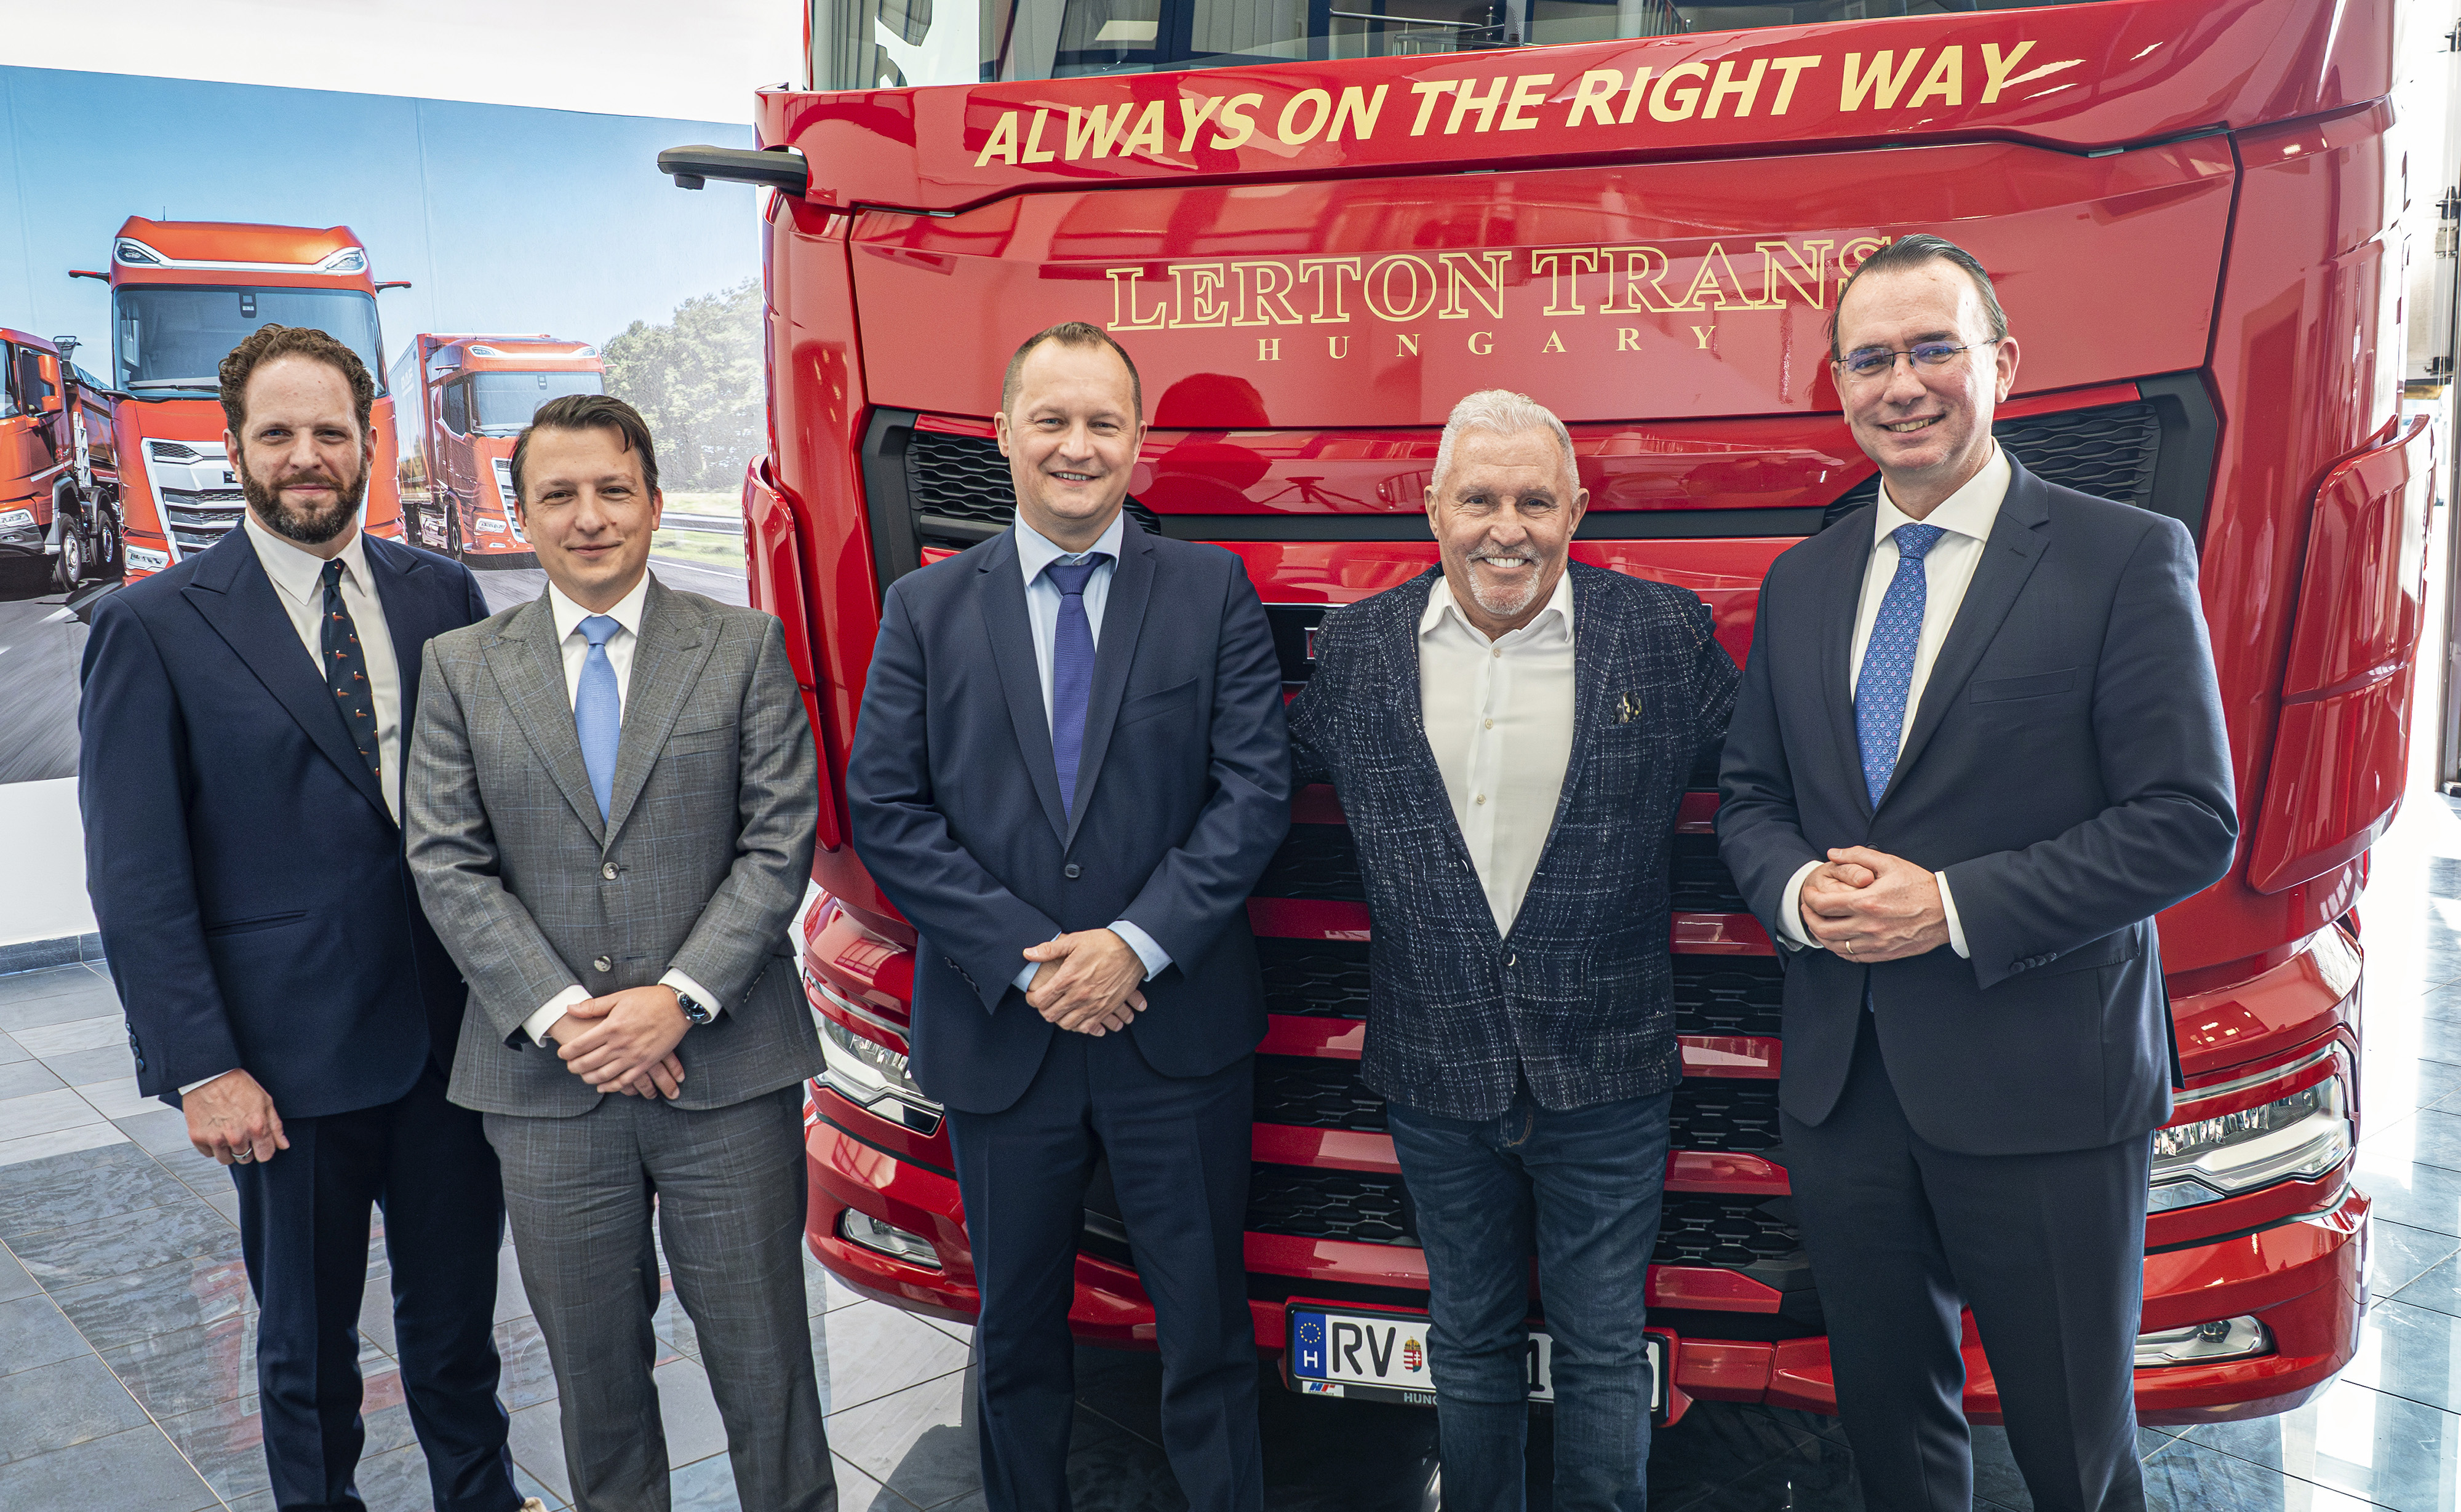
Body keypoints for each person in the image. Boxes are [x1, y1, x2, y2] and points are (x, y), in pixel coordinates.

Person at [1715, 234, 2238, 1511]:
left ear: (2003, 363)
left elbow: (2186, 819)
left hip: (2045, 1086)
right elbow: (1752, 797)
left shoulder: (2123, 555)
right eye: (1870, 359)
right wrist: (1795, 894)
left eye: (1933, 348)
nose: (1902, 384)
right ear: (1839, 385)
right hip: (1847, 1090)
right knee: (1889, 1445)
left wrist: (1947, 906)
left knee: (2073, 1455)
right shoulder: (1802, 581)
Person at [79, 324, 532, 1512]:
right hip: (284, 1067)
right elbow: (136, 875)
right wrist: (203, 1066)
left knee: (458, 1338)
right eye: (277, 432)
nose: (306, 455)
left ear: (369, 442)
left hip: (451, 1046)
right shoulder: (152, 625)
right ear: (235, 450)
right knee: (305, 1353)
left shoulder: (442, 593)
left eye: (331, 430)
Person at [845, 322, 1290, 1512]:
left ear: (1139, 443)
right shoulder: (927, 606)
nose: (1076, 446)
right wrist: (1029, 959)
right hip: (1007, 1034)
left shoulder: (1210, 591)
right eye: (1051, 420)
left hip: (1175, 1032)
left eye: (1103, 422)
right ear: (1004, 434)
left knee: (1208, 1338)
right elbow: (886, 807)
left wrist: (1133, 946)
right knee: (1015, 1344)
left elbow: (1255, 794)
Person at [1285, 389, 1737, 1512]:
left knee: (1603, 1351)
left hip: (1610, 1072)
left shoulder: (1663, 633)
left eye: (1535, 501)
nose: (1507, 528)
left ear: (1576, 511)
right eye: (1479, 498)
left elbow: (1774, 776)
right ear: (1433, 507)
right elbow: (1240, 784)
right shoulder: (1359, 649)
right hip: (1434, 1073)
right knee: (1469, 1341)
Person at [403, 394, 833, 1512]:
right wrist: (568, 1017)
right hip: (549, 1088)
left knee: (771, 1377)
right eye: (559, 494)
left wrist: (676, 1001)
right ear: (522, 513)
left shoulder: (741, 646)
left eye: (612, 490)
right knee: (595, 1390)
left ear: (652, 501)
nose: (588, 517)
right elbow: (447, 861)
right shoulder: (460, 666)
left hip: (727, 1072)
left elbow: (778, 840)